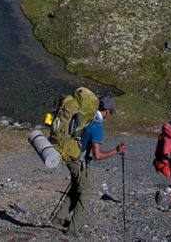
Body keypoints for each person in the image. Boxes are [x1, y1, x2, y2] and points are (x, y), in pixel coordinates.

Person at [53, 95, 126, 236]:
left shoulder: (87, 117)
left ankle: (59, 218)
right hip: (78, 162)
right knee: (85, 194)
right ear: (106, 111)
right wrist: (117, 151)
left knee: (76, 188)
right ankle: (72, 229)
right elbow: (98, 155)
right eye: (110, 112)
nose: (109, 115)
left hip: (68, 155)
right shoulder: (97, 126)